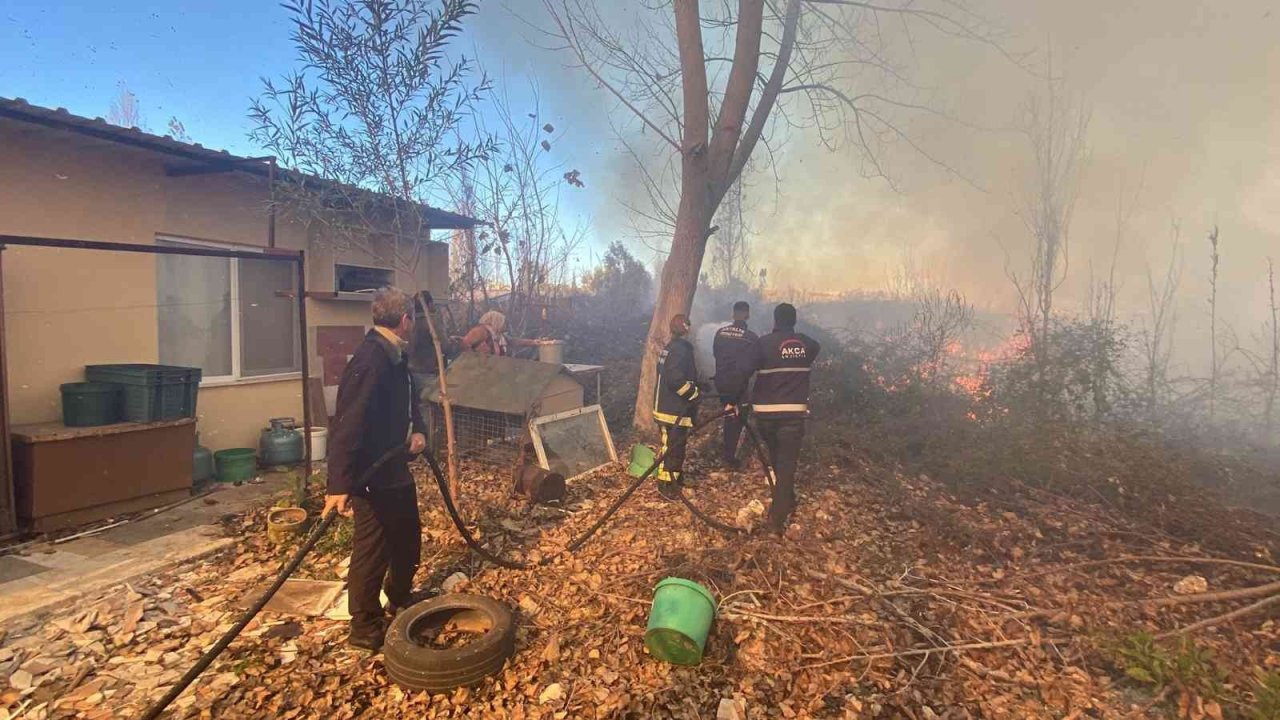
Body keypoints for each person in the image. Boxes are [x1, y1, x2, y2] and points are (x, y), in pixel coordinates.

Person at [323, 287, 429, 652]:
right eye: (413, 319)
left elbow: (410, 398)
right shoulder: (371, 360)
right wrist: (339, 483)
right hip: (371, 476)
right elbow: (347, 423)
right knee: (373, 548)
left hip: (394, 468)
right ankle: (365, 626)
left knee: (408, 536)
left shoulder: (393, 354)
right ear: (404, 321)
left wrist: (418, 430)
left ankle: (398, 595)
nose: (413, 325)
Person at [751, 303, 820, 534]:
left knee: (777, 458)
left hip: (766, 416)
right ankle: (779, 515)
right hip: (793, 415)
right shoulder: (807, 344)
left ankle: (782, 507)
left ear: (774, 320)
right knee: (786, 464)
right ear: (794, 320)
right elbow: (815, 348)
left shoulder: (762, 344)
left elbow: (747, 369)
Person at [652, 314, 700, 498]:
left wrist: (698, 385)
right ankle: (666, 485)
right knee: (671, 448)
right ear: (687, 329)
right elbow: (674, 378)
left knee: (676, 448)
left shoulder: (671, 347)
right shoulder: (680, 350)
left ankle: (675, 479)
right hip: (672, 409)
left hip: (671, 407)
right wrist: (692, 393)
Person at [712, 301, 759, 468]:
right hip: (738, 386)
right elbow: (751, 365)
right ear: (747, 314)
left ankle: (724, 450)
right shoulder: (750, 337)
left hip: (721, 383)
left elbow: (716, 356)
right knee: (739, 419)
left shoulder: (720, 333)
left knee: (728, 416)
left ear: (733, 314)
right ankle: (730, 458)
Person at [460, 310, 540, 357]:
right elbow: (465, 343)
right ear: (496, 322)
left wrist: (533, 342)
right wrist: (473, 359)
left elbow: (514, 341)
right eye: (502, 322)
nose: (504, 325)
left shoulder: (499, 335)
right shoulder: (480, 331)